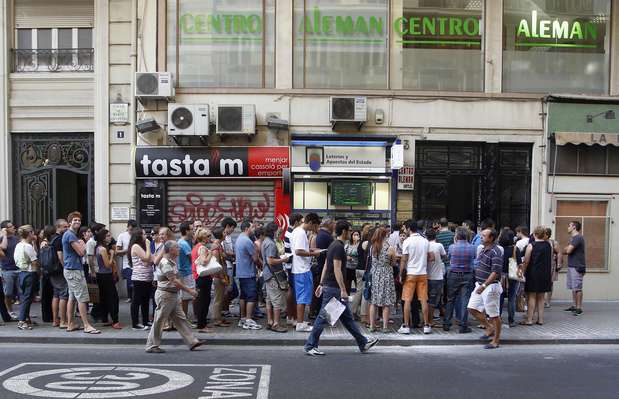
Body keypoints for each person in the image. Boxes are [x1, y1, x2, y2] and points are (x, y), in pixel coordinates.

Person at [304, 220, 379, 356]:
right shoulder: (338, 247)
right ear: (344, 231)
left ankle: (363, 342)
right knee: (323, 317)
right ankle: (310, 346)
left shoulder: (333, 245)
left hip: (330, 286)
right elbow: (337, 269)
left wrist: (321, 284)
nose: (351, 233)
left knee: (347, 318)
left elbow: (327, 265)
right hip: (334, 289)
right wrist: (343, 290)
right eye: (350, 231)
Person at [146, 241, 205, 353]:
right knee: (159, 319)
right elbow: (174, 281)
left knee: (180, 319)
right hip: (165, 295)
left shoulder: (172, 262)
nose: (179, 249)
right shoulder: (165, 263)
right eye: (177, 248)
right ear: (171, 250)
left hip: (172, 295)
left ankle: (192, 341)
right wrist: (190, 291)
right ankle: (152, 345)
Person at [63, 211, 100, 334]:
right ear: (69, 222)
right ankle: (86, 325)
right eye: (75, 220)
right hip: (74, 270)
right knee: (82, 298)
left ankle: (70, 324)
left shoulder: (70, 235)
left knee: (72, 298)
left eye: (79, 220)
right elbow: (81, 252)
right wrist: (84, 244)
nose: (77, 222)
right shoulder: (71, 235)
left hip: (71, 269)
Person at [467, 228, 503, 349]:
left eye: (484, 235)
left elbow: (495, 272)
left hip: (490, 287)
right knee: (472, 308)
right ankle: (489, 327)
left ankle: (496, 341)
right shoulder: (483, 249)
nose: (481, 237)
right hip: (480, 284)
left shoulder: (495, 252)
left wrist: (484, 285)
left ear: (491, 238)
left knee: (494, 315)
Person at [399, 220, 433, 335]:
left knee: (407, 299)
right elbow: (430, 257)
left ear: (409, 229)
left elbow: (404, 259)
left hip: (410, 274)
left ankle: (406, 326)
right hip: (422, 273)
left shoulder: (407, 241)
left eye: (405, 228)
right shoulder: (425, 241)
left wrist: (400, 274)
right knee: (423, 299)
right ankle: (427, 325)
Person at [291, 213, 323, 332]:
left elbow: (300, 250)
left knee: (302, 297)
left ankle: (301, 321)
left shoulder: (297, 231)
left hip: (300, 269)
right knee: (302, 298)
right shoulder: (300, 233)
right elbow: (299, 251)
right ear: (310, 223)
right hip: (302, 269)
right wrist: (313, 253)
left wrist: (311, 250)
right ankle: (300, 324)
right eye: (315, 226)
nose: (315, 229)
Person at [519, 226, 552, 326]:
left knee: (531, 296)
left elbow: (527, 261)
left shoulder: (531, 246)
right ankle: (540, 319)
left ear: (535, 234)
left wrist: (522, 271)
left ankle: (529, 319)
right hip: (545, 273)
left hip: (533, 273)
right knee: (541, 297)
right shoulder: (548, 245)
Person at [262, 222, 289, 333]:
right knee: (277, 300)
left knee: (269, 299)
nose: (279, 232)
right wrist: (283, 259)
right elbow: (270, 260)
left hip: (268, 274)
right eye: (278, 230)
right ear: (273, 231)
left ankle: (270, 321)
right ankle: (276, 324)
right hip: (273, 274)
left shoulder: (265, 241)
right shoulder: (271, 244)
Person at [42, 220, 69, 328]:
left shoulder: (51, 239)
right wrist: (65, 267)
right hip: (59, 270)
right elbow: (60, 256)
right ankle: (62, 321)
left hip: (52, 270)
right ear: (58, 227)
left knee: (56, 295)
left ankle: (55, 320)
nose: (67, 228)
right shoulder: (59, 239)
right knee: (63, 295)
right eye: (65, 227)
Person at [368, 227, 396, 333]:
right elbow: (393, 263)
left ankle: (372, 326)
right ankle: (384, 327)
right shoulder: (390, 248)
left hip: (375, 274)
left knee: (373, 301)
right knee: (386, 302)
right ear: (386, 235)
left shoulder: (372, 247)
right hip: (386, 275)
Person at [235, 220, 262, 330]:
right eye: (252, 227)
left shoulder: (239, 239)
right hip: (248, 272)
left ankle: (243, 318)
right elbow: (255, 258)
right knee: (251, 296)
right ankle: (248, 319)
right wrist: (262, 265)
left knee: (243, 296)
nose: (254, 229)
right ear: (246, 228)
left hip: (241, 272)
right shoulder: (247, 241)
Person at [94, 229, 121, 329]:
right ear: (103, 238)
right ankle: (115, 320)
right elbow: (107, 264)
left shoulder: (99, 248)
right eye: (108, 236)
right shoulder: (103, 249)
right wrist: (112, 254)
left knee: (104, 297)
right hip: (106, 275)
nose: (110, 237)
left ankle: (105, 318)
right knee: (113, 298)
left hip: (101, 275)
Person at [14, 225, 39, 330]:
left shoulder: (19, 245)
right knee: (27, 298)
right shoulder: (27, 247)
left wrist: (33, 243)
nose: (34, 234)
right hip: (29, 273)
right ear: (30, 233)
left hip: (21, 273)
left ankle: (26, 318)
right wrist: (36, 272)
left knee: (25, 296)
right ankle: (22, 321)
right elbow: (35, 260)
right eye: (32, 232)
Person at [310, 218, 334, 319]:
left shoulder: (319, 234)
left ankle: (314, 311)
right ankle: (320, 313)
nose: (334, 225)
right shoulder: (326, 236)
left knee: (318, 290)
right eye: (333, 223)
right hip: (323, 268)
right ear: (329, 224)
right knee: (322, 292)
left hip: (319, 267)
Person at [497, 228, 522, 328]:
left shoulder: (498, 248)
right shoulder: (515, 249)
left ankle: (497, 318)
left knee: (500, 298)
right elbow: (520, 264)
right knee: (512, 298)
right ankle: (511, 320)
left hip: (500, 276)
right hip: (512, 275)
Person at [192, 228, 214, 333]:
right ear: (204, 238)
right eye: (209, 236)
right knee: (204, 301)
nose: (210, 238)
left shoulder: (196, 247)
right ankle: (202, 326)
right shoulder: (202, 248)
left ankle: (202, 324)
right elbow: (204, 262)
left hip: (200, 277)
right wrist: (210, 253)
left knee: (203, 300)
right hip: (203, 277)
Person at [563, 221, 586, 316]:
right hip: (572, 265)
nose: (567, 227)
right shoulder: (573, 238)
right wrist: (567, 249)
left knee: (577, 288)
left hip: (577, 266)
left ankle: (579, 308)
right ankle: (574, 305)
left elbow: (568, 250)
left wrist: (567, 249)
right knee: (573, 287)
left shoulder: (578, 238)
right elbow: (567, 249)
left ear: (574, 227)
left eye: (569, 225)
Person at [284, 214, 303, 326]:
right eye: (301, 221)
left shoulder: (288, 232)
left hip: (289, 266)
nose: (302, 224)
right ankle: (294, 317)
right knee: (294, 293)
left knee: (292, 291)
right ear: (296, 222)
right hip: (293, 266)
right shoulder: (293, 233)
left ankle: (290, 316)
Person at [210, 227, 231, 327]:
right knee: (218, 298)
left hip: (222, 275)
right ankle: (216, 319)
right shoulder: (215, 247)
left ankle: (219, 317)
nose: (225, 233)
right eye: (224, 232)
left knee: (221, 297)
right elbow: (217, 264)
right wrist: (222, 277)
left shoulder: (219, 245)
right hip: (218, 277)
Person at [426, 230, 446, 328]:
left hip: (426, 276)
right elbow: (445, 256)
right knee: (433, 301)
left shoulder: (425, 245)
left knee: (427, 300)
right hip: (437, 276)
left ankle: (427, 320)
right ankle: (430, 321)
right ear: (435, 236)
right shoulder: (439, 245)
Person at [1, 220, 20, 319]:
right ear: (5, 229)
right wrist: (4, 235)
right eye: (10, 226)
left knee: (21, 292)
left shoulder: (16, 238)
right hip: (7, 269)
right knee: (8, 293)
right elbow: (3, 247)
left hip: (18, 268)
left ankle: (23, 313)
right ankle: (10, 310)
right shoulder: (1, 239)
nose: (13, 227)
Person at [177, 222, 196, 322]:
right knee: (186, 298)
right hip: (187, 273)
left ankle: (184, 319)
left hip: (183, 272)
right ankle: (184, 319)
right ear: (187, 231)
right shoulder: (184, 244)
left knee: (186, 297)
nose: (193, 231)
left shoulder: (181, 242)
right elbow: (192, 258)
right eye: (192, 229)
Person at [116, 220, 138, 302]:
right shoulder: (122, 236)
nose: (132, 231)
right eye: (130, 229)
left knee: (136, 281)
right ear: (128, 227)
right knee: (130, 281)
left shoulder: (137, 235)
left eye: (133, 229)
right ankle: (130, 297)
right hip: (127, 263)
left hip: (137, 262)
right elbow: (117, 251)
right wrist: (127, 250)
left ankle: (134, 297)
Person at [544, 227, 563, 308]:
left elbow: (559, 253)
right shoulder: (539, 241)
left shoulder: (553, 242)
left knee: (550, 284)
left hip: (551, 265)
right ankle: (541, 300)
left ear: (547, 235)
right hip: (541, 266)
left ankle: (547, 301)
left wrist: (558, 264)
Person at [344, 231, 360, 295]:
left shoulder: (360, 245)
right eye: (354, 234)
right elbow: (343, 254)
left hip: (357, 268)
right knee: (347, 285)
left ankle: (358, 300)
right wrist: (346, 257)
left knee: (358, 286)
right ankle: (346, 298)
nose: (356, 236)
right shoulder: (347, 245)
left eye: (357, 235)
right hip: (348, 267)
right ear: (351, 236)